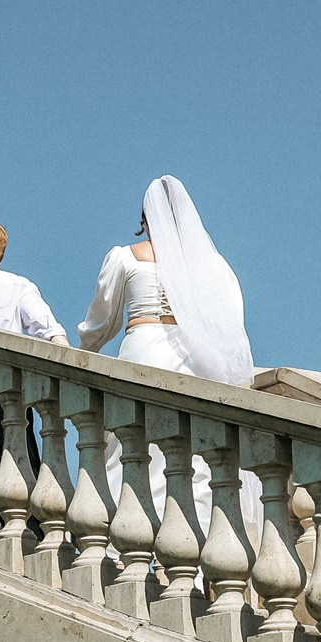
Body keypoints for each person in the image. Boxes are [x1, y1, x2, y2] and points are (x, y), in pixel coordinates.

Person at [77, 176, 261, 531]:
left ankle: (121, 548)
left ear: (145, 219)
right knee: (192, 457)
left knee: (132, 450)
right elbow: (232, 320)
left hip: (143, 351)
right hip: (192, 358)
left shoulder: (124, 257)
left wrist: (84, 351)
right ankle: (193, 556)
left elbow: (102, 321)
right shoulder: (213, 266)